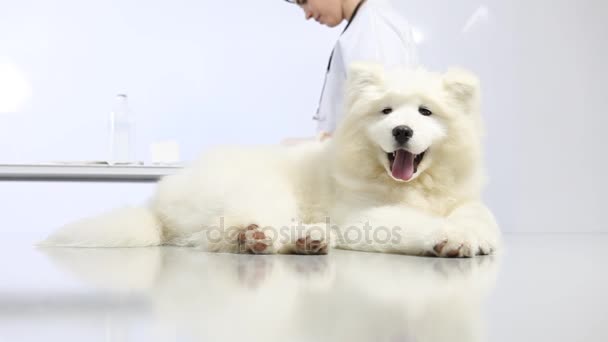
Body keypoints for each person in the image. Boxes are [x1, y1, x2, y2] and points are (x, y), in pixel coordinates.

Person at [284, 0, 418, 140]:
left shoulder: (373, 26)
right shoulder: (365, 23)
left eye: (303, 1)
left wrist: (321, 144)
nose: (307, 14)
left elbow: (384, 117)